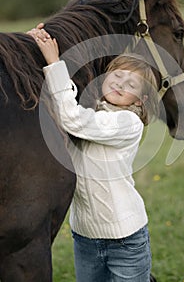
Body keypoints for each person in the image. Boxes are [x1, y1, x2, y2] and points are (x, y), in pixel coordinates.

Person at [29, 27, 158, 282]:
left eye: (131, 84)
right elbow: (66, 105)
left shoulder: (127, 123)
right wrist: (34, 42)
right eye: (117, 76)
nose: (121, 83)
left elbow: (72, 119)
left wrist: (55, 63)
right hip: (85, 237)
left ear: (141, 100)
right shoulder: (95, 110)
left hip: (126, 240)